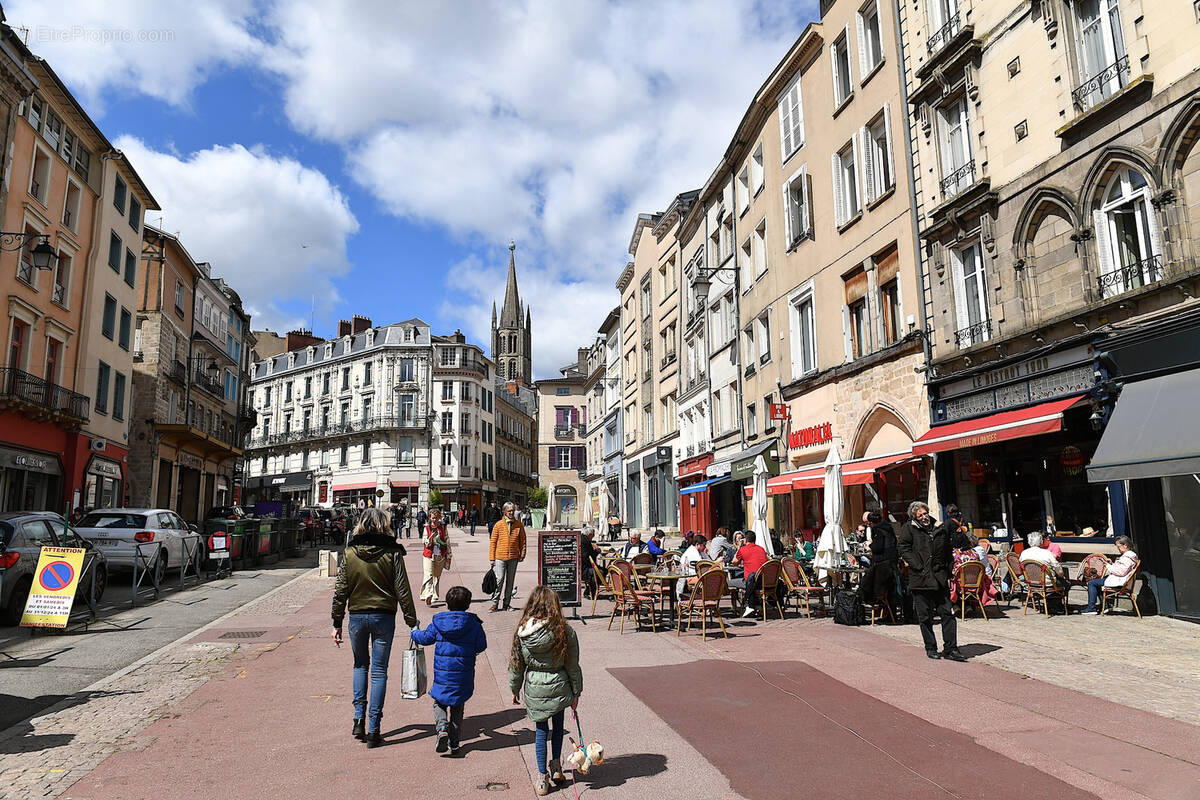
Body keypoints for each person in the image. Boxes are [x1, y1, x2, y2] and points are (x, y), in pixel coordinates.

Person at [331, 507, 419, 748]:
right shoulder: (392, 552)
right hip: (384, 617)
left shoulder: (349, 553)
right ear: (385, 525)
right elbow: (403, 589)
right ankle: (374, 728)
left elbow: (340, 591)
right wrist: (411, 621)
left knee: (360, 665)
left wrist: (336, 622)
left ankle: (358, 719)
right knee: (379, 671)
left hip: (357, 617)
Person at [508, 586, 583, 796]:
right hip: (559, 683)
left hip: (534, 684)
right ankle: (557, 766)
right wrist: (576, 691)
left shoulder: (522, 631)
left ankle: (542, 778)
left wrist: (514, 688)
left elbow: (516, 664)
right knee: (558, 727)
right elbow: (572, 665)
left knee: (541, 732)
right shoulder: (564, 630)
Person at [410, 585, 488, 757]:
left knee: (439, 701)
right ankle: (455, 743)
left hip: (443, 674)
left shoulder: (438, 622)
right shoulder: (474, 624)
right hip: (463, 674)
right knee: (458, 706)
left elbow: (425, 638)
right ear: (468, 605)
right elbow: (482, 645)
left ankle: (442, 727)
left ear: (447, 604)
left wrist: (414, 632)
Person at [898, 501, 966, 662]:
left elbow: (948, 550)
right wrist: (917, 565)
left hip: (939, 578)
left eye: (925, 513)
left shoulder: (939, 527)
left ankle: (951, 648)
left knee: (947, 614)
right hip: (920, 579)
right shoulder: (909, 529)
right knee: (925, 617)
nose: (924, 517)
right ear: (915, 517)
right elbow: (903, 548)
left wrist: (949, 570)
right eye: (920, 515)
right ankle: (931, 647)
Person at [1082, 535, 1138, 614]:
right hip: (1121, 580)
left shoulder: (1127, 557)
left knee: (1092, 583)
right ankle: (1105, 606)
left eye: (1119, 547)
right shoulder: (1129, 556)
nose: (1118, 549)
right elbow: (1121, 568)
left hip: (1121, 582)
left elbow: (1121, 572)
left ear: (1125, 545)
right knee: (1098, 581)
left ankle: (1092, 608)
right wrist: (1111, 564)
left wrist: (1108, 566)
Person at [489, 502, 527, 611]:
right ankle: (495, 603)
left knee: (510, 581)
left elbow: (523, 541)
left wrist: (522, 554)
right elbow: (493, 542)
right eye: (509, 511)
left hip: (513, 557)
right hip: (500, 557)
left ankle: (506, 603)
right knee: (499, 580)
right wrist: (492, 558)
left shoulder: (519, 525)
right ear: (504, 511)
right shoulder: (498, 525)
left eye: (513, 511)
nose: (511, 513)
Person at [858, 511, 898, 605]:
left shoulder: (877, 529)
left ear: (871, 522)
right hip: (892, 561)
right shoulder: (888, 527)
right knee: (889, 589)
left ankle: (871, 604)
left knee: (867, 585)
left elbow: (878, 547)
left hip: (882, 563)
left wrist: (869, 547)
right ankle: (890, 612)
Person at [421, 509, 452, 606]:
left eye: (436, 518)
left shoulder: (443, 527)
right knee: (429, 574)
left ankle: (435, 595)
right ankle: (428, 595)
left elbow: (447, 540)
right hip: (428, 555)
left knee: (436, 576)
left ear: (439, 517)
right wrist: (430, 538)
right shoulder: (427, 527)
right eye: (432, 518)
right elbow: (424, 542)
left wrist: (449, 555)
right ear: (430, 518)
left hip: (440, 555)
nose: (434, 520)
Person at [580, 527, 602, 599]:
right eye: (593, 534)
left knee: (598, 572)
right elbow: (588, 557)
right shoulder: (585, 541)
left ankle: (591, 591)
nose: (593, 536)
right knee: (602, 572)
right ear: (589, 534)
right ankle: (592, 591)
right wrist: (596, 551)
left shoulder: (582, 539)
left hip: (582, 567)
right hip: (585, 568)